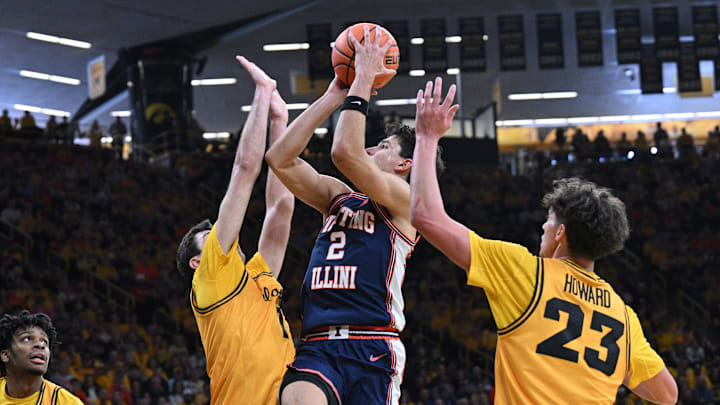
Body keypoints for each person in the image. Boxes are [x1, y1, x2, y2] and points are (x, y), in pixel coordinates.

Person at [408, 78, 679, 405]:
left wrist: (426, 137)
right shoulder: (622, 315)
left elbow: (426, 216)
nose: (543, 230)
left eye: (548, 223)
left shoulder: (525, 273)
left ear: (561, 234)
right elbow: (667, 393)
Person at [267, 26, 442, 405]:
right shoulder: (338, 197)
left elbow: (345, 152)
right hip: (318, 345)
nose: (370, 147)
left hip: (372, 346)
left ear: (404, 164)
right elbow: (279, 159)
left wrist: (363, 76)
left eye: (382, 146)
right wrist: (334, 94)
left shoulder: (405, 201)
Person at [174, 56, 295, 405]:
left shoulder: (256, 276)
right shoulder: (212, 278)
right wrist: (262, 92)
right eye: (209, 239)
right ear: (199, 262)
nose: (220, 237)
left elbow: (281, 208)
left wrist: (280, 121)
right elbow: (244, 169)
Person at [0, 310, 83, 404]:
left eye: (44, 341)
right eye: (27, 339)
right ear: (5, 355)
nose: (40, 345)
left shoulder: (67, 402)